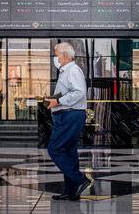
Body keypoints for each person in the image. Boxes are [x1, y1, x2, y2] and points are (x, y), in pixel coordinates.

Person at [45, 42, 93, 201]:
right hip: (66, 115)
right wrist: (54, 100)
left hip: (70, 115)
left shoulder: (73, 70)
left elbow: (79, 92)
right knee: (68, 151)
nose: (55, 58)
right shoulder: (66, 71)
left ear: (65, 56)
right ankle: (71, 191)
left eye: (56, 55)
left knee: (55, 149)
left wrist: (58, 101)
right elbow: (68, 92)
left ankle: (80, 180)